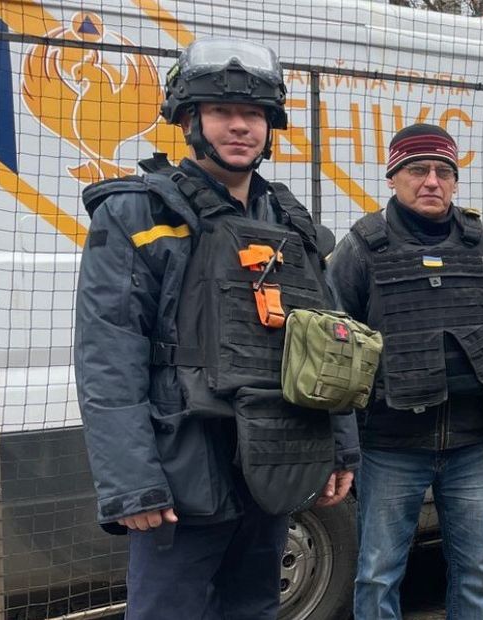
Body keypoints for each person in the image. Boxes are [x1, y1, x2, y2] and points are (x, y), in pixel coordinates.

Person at [74, 38, 357, 619]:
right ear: (188, 120)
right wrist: (132, 484)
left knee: (254, 608)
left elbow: (329, 347)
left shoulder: (290, 221)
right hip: (182, 473)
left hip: (274, 460)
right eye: (221, 111)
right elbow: (109, 357)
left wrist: (340, 450)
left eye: (254, 113)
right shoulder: (136, 214)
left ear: (270, 126)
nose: (240, 126)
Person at [327, 124, 483, 620]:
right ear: (392, 177)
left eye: (444, 171)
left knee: (477, 572)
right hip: (388, 445)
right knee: (377, 573)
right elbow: (333, 350)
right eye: (418, 170)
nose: (432, 181)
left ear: (456, 181)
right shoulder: (361, 248)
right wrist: (339, 445)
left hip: (472, 444)